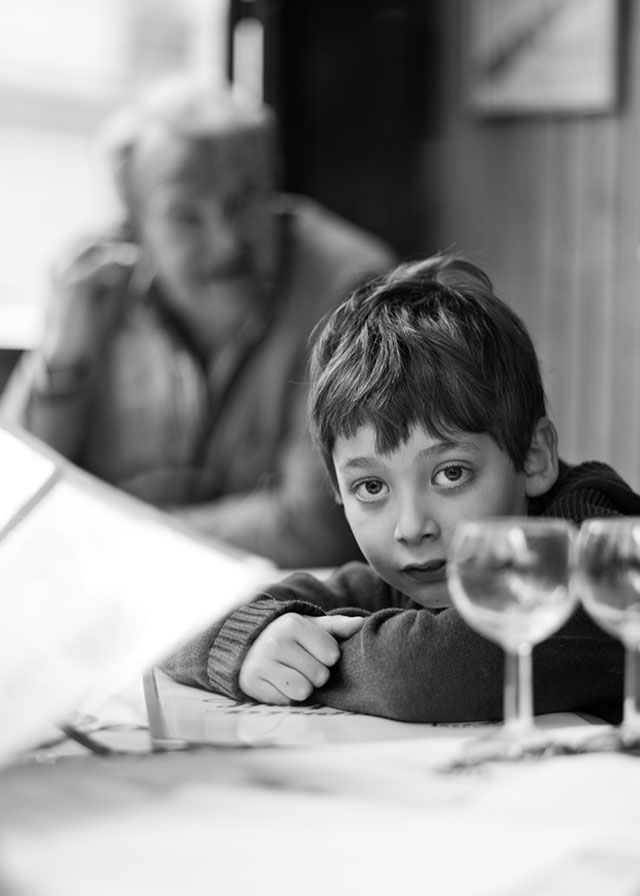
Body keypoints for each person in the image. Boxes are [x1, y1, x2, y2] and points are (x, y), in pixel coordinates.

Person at [163, 253, 640, 724]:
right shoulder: (415, 578)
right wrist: (249, 641)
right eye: (371, 486)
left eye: (451, 474)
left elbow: (426, 676)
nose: (411, 527)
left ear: (534, 457)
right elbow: (169, 621)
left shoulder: (602, 568)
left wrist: (300, 663)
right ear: (337, 489)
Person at [0, 75, 396, 568]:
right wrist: (65, 358)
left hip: (282, 616)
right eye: (186, 217)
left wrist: (108, 540)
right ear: (134, 223)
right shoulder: (95, 288)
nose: (226, 241)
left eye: (245, 199)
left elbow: (316, 527)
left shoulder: (348, 288)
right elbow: (15, 503)